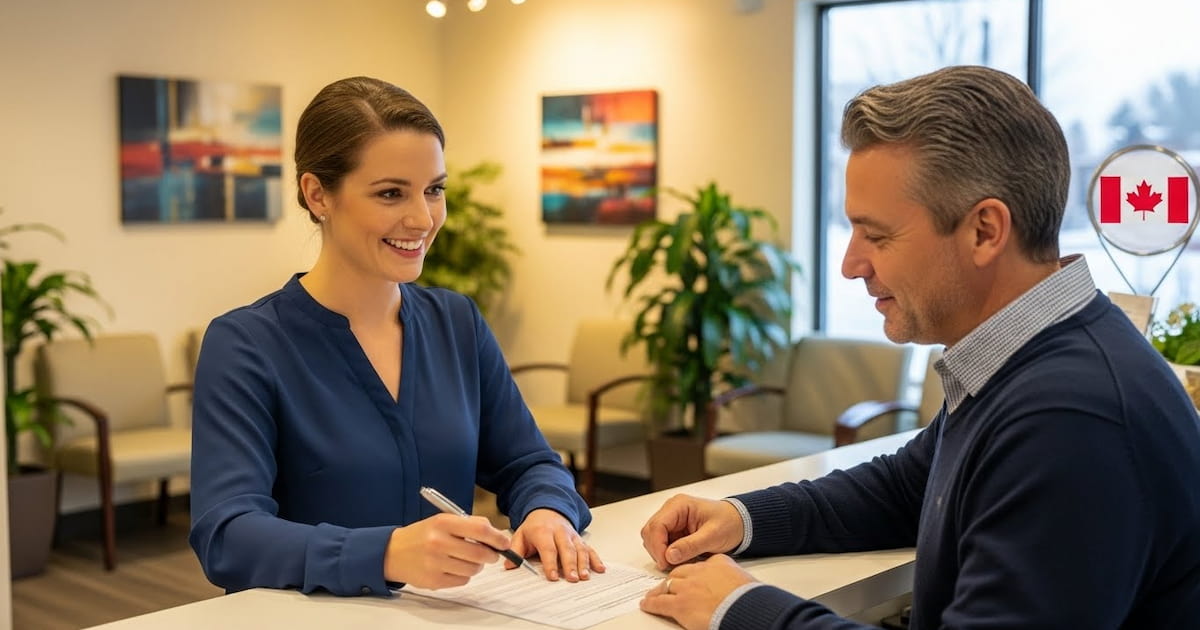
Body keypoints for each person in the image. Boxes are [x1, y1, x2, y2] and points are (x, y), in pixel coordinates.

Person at [637, 65, 1200, 629]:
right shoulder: (1034, 357)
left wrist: (741, 609)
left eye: (877, 236)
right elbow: (908, 489)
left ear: (984, 231)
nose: (851, 264)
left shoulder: (1070, 417)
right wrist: (741, 518)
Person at [189, 76, 603, 596]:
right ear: (317, 194)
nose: (422, 218)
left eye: (434, 189)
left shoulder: (457, 322)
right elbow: (227, 535)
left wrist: (548, 512)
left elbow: (528, 462)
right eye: (391, 193)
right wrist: (386, 554)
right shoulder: (246, 344)